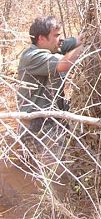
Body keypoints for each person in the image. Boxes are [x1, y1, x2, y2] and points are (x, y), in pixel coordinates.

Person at [17, 15, 82, 199]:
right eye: (56, 35)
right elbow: (64, 63)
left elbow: (69, 42)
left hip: (51, 118)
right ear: (41, 39)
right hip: (39, 124)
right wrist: (87, 47)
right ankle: (55, 205)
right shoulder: (32, 57)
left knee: (56, 163)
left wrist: (87, 36)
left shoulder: (49, 47)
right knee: (55, 170)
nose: (60, 39)